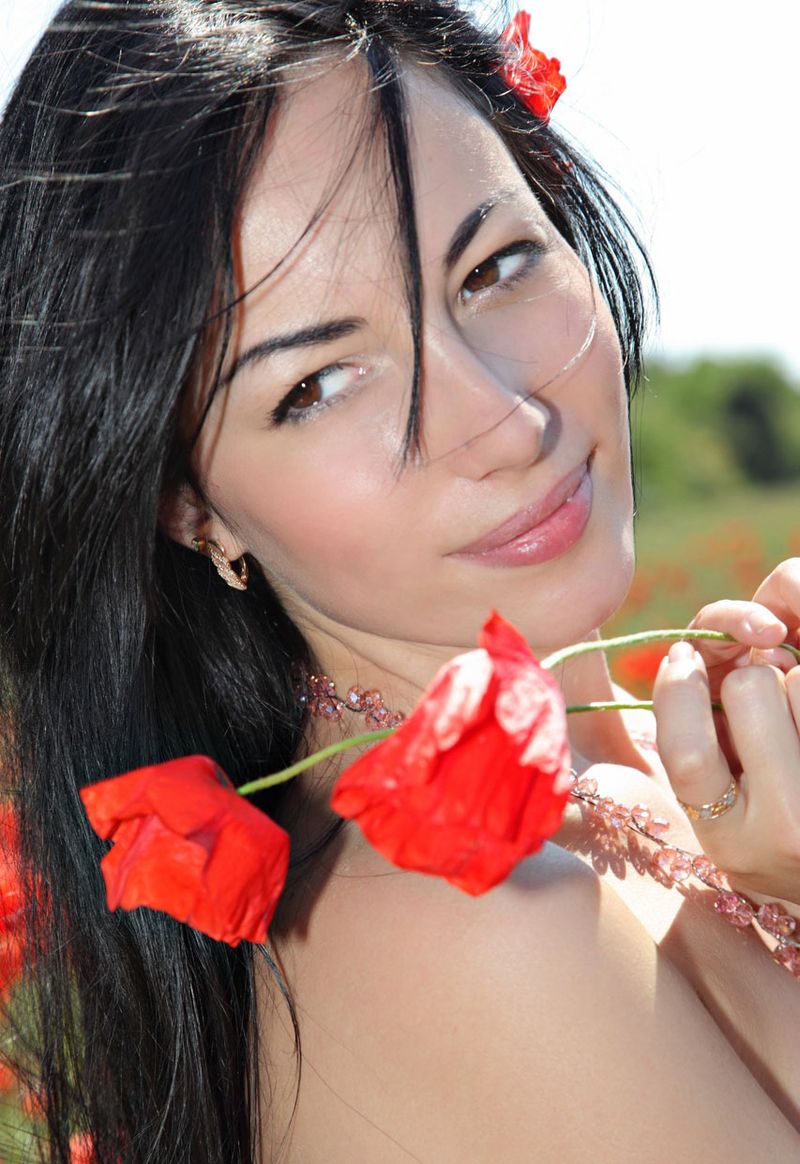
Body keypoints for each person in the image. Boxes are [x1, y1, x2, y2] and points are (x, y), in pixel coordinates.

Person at [1, 2, 799, 1160]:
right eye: (317, 383)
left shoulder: (604, 782)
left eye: (495, 267)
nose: (506, 420)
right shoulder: (460, 927)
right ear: (187, 502)